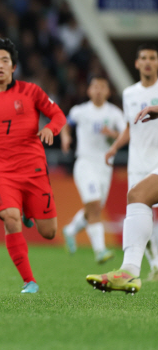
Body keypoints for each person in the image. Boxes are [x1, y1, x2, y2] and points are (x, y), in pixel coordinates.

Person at [0, 36, 66, 294]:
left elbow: (58, 115)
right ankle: (29, 281)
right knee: (10, 218)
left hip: (34, 169)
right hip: (2, 172)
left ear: (13, 66)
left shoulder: (32, 91)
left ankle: (30, 214)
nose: (0, 65)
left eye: (5, 60)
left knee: (49, 232)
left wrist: (51, 129)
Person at [86, 103, 158, 294]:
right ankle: (129, 271)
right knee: (139, 195)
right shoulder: (130, 95)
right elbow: (129, 128)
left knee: (138, 195)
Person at [104, 44, 158, 279]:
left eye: (152, 58)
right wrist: (115, 147)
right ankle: (152, 265)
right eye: (143, 58)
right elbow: (129, 126)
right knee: (137, 211)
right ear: (136, 63)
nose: (148, 61)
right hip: (137, 163)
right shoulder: (129, 94)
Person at [60, 76, 124, 263]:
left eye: (102, 87)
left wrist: (111, 134)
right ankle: (100, 250)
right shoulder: (80, 111)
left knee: (93, 209)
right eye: (94, 86)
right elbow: (65, 123)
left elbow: (124, 135)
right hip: (85, 163)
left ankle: (70, 230)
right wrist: (65, 137)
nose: (98, 90)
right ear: (89, 91)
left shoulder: (114, 114)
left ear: (108, 92)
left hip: (105, 166)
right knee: (95, 205)